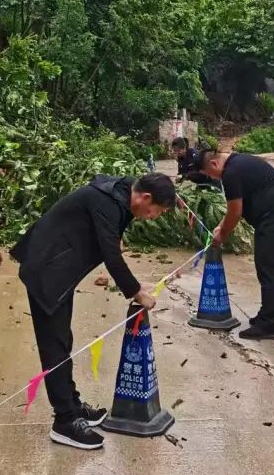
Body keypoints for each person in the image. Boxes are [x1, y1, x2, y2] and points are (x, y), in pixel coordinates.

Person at [11, 172, 175, 450]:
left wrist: (137, 284)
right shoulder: (107, 203)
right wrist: (136, 292)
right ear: (145, 197)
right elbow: (111, 254)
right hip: (47, 272)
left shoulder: (119, 196)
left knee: (63, 340)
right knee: (55, 346)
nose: (153, 217)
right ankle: (64, 422)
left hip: (59, 270)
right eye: (155, 211)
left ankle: (72, 405)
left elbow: (112, 244)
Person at [196, 150, 274, 340]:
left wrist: (223, 235)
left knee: (270, 271)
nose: (212, 178)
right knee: (265, 268)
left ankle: (268, 325)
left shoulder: (230, 173)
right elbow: (234, 211)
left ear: (214, 164)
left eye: (209, 174)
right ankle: (265, 316)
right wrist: (220, 227)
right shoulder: (239, 162)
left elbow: (235, 212)